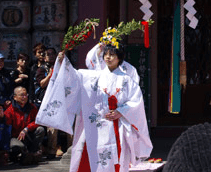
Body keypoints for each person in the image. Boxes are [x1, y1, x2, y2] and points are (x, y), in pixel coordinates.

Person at [36, 43, 153, 172]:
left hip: (117, 125)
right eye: (106, 54)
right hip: (96, 125)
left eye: (112, 55)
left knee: (117, 155)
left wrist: (120, 111)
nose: (108, 57)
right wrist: (64, 63)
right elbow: (75, 77)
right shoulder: (94, 76)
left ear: (119, 58)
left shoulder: (127, 80)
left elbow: (136, 101)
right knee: (90, 154)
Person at [4, 86, 45, 165]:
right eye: (21, 95)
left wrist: (26, 129)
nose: (24, 97)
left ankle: (32, 153)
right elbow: (7, 129)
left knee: (40, 129)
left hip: (28, 134)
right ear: (15, 97)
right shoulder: (10, 110)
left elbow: (37, 121)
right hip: (16, 137)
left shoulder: (32, 107)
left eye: (26, 95)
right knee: (16, 146)